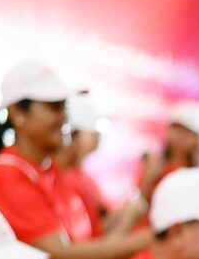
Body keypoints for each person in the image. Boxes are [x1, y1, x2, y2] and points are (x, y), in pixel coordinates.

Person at [0, 61, 151, 259]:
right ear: (17, 113)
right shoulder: (8, 173)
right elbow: (57, 258)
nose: (63, 118)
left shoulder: (51, 171)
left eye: (63, 107)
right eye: (52, 108)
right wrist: (149, 239)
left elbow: (84, 245)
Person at [56, 94, 149, 238]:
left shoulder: (82, 177)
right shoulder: (62, 177)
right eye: (94, 133)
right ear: (75, 135)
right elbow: (85, 242)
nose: (98, 138)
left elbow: (97, 226)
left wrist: (130, 210)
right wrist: (129, 217)